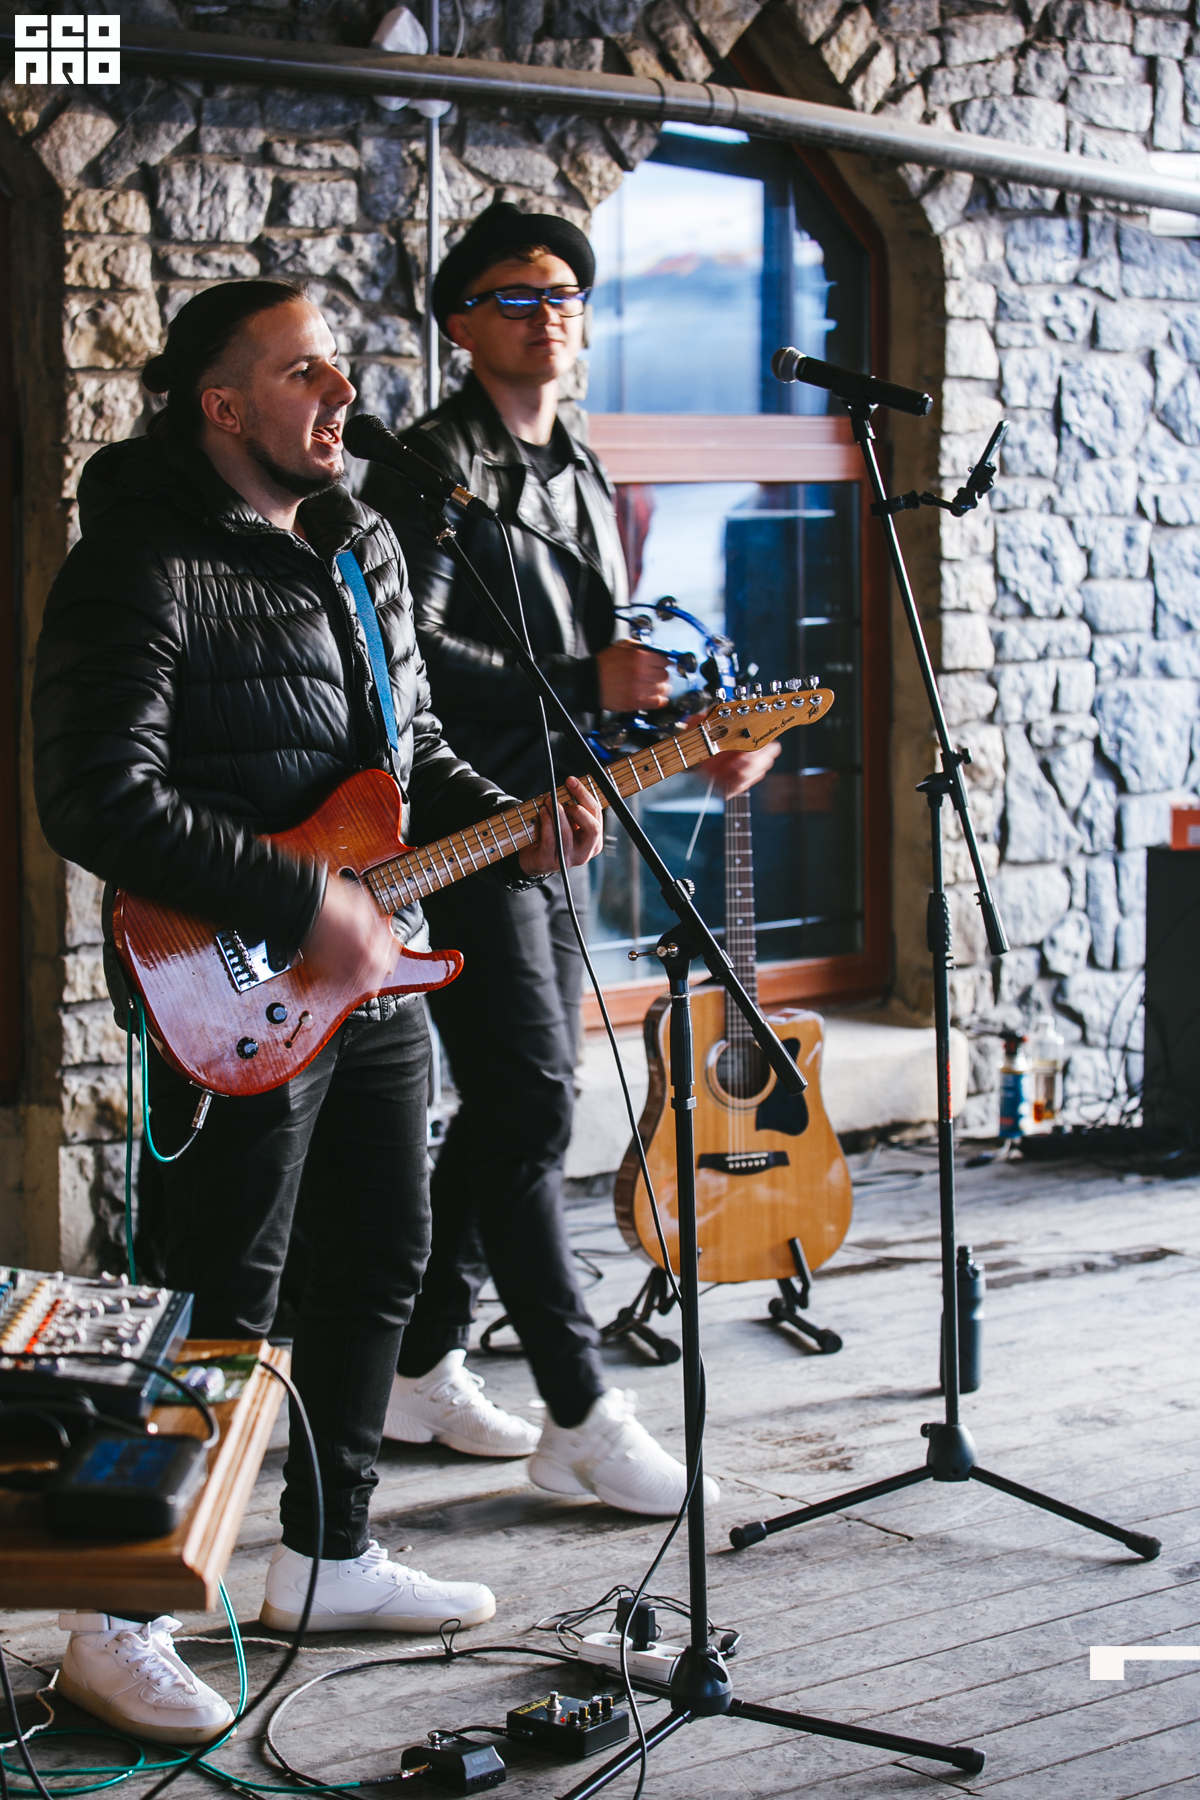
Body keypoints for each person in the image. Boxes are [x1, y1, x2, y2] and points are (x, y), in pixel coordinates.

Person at [31, 278, 602, 1745]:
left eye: (341, 366)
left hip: (372, 968)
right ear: (221, 404)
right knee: (223, 1292)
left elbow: (406, 762)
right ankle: (116, 1618)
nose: (342, 392)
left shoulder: (364, 542)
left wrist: (520, 824)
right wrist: (302, 902)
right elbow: (94, 797)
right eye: (304, 372)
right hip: (226, 982)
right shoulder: (138, 559)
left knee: (379, 1255)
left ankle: (332, 1553)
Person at [361, 203, 779, 1515]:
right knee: (534, 1101)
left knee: (513, 1105)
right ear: (460, 323)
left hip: (561, 817)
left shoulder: (583, 468)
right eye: (518, 297)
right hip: (462, 825)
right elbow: (404, 660)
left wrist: (694, 736)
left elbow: (608, 662)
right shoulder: (430, 466)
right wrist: (583, 677)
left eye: (565, 297)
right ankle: (581, 1411)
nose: (550, 317)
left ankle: (417, 1365)